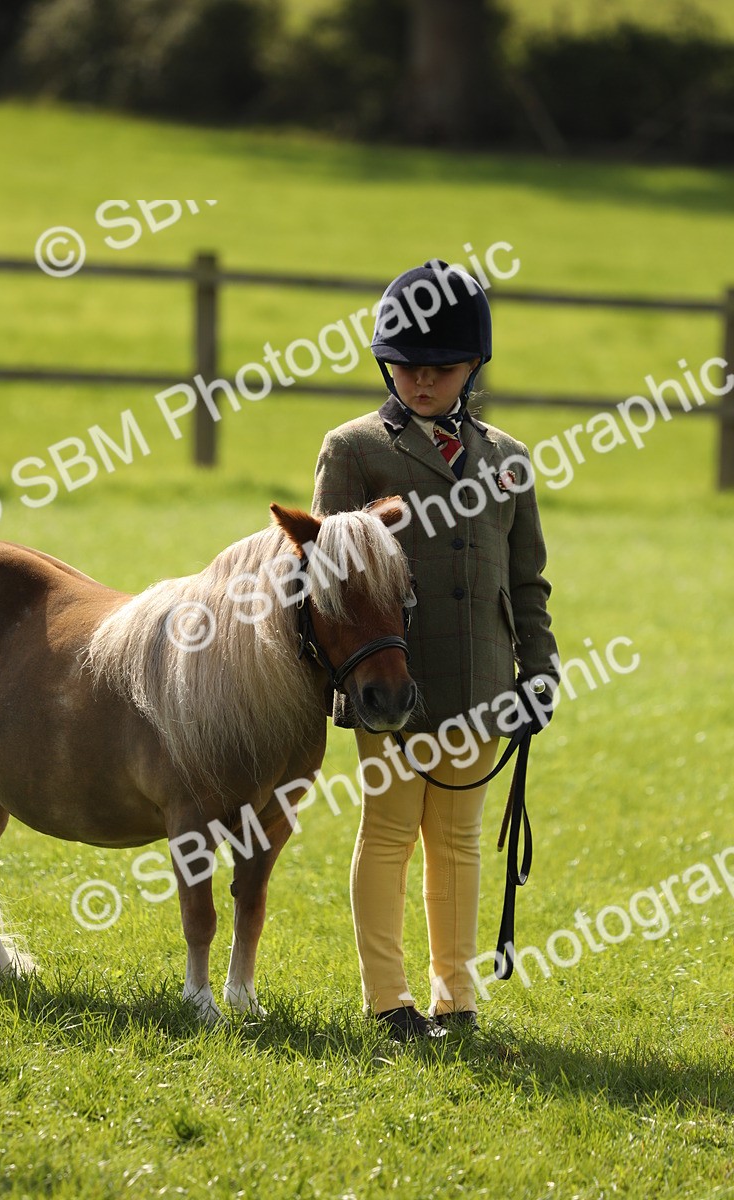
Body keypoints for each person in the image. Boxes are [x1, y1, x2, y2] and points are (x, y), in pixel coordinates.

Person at [310, 259, 559, 1041]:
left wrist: (541, 667)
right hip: (391, 680)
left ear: (473, 367)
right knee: (387, 831)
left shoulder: (508, 459)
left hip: (483, 678)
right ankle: (389, 1000)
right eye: (407, 368)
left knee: (457, 841)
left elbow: (527, 582)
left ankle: (458, 999)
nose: (422, 383)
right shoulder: (353, 451)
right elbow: (327, 578)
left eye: (442, 369)